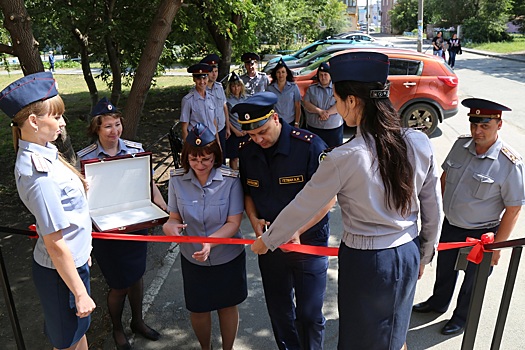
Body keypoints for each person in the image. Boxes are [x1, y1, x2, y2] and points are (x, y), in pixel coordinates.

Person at [251, 52, 443, 350]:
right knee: (394, 334)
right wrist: (424, 252)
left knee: (362, 340)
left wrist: (268, 240)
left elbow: (305, 204)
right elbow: (433, 210)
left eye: (339, 100)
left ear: (352, 101)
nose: (338, 108)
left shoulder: (344, 157)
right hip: (407, 251)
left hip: (368, 262)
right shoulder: (419, 142)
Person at [0, 72, 96, 350]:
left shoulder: (44, 150)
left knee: (78, 334)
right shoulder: (37, 174)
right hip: (61, 274)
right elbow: (55, 242)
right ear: (33, 121)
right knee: (66, 342)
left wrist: (83, 254)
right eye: (56, 117)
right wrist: (79, 292)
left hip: (72, 264)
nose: (62, 122)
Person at [413, 98, 525, 336]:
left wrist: (497, 246)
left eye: (485, 125)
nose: (477, 131)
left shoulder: (509, 163)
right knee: (444, 268)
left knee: (472, 282)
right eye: (474, 124)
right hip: (450, 224)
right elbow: (444, 179)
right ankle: (437, 303)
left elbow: (514, 209)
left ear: (499, 125)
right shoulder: (460, 145)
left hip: (481, 234)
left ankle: (462, 318)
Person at [234, 92, 331, 350]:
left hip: (308, 241)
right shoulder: (247, 151)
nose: (258, 140)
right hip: (269, 243)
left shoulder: (310, 146)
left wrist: (297, 230)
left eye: (263, 132)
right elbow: (247, 192)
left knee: (309, 314)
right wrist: (253, 219)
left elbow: (327, 199)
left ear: (275, 118)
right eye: (252, 135)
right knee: (279, 311)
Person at [77, 97, 166, 350]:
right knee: (118, 285)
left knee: (137, 277)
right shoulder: (85, 158)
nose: (114, 131)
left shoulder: (135, 149)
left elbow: (149, 184)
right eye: (108, 126)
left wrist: (164, 208)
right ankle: (117, 329)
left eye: (117, 124)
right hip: (105, 231)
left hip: (136, 223)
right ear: (96, 128)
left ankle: (137, 321)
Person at [163, 123, 247, 350]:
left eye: (206, 159)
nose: (200, 165)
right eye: (193, 159)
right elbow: (173, 217)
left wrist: (210, 242)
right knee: (198, 309)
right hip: (193, 259)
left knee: (227, 306)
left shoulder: (230, 180)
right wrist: (169, 227)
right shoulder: (177, 179)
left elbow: (233, 223)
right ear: (186, 157)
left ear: (216, 157)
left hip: (226, 256)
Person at [302, 62, 344, 147]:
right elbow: (306, 103)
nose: (323, 77)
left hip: (334, 129)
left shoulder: (338, 88)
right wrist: (319, 111)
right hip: (315, 128)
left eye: (325, 74)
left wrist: (327, 113)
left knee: (334, 153)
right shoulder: (312, 89)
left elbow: (341, 103)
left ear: (330, 75)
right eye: (321, 75)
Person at [180, 63, 220, 143]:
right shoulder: (188, 100)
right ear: (194, 79)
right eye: (198, 79)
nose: (202, 82)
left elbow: (214, 122)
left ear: (208, 78)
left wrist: (218, 143)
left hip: (212, 140)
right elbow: (184, 127)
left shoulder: (211, 97)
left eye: (204, 78)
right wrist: (188, 148)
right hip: (197, 142)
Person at [200, 54, 231, 157]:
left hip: (221, 128)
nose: (214, 74)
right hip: (208, 131)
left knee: (222, 157)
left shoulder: (219, 87)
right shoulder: (201, 90)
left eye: (216, 71)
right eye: (211, 72)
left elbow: (224, 106)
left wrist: (227, 127)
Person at [266, 59, 302, 126]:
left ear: (286, 73)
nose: (281, 75)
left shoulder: (293, 87)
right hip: (275, 122)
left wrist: (297, 123)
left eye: (283, 72)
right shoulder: (270, 88)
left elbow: (297, 106)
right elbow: (268, 107)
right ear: (275, 74)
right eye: (278, 72)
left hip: (290, 122)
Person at [225, 71, 248, 170]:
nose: (236, 88)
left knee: (245, 156)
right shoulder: (227, 100)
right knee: (234, 157)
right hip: (234, 132)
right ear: (230, 87)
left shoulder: (246, 98)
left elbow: (248, 116)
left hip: (245, 131)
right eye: (233, 86)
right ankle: (234, 178)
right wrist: (235, 131)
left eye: (238, 86)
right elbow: (226, 118)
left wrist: (246, 130)